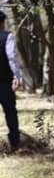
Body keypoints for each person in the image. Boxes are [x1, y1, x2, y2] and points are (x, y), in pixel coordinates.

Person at [0, 11, 23, 152]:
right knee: (10, 112)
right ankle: (14, 143)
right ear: (2, 22)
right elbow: (12, 58)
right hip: (4, 81)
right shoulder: (7, 37)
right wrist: (17, 76)